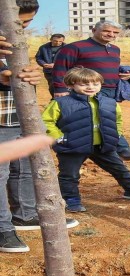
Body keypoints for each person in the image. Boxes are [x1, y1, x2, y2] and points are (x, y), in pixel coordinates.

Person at [1, 0, 78, 254]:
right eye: (17, 22)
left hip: (16, 115)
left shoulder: (13, 43)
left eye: (26, 23)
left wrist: (28, 76)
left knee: (23, 169)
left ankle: (25, 214)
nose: (21, 28)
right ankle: (2, 228)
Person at [42, 68, 130, 213]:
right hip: (72, 145)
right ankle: (71, 199)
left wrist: (116, 135)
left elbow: (117, 120)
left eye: (95, 84)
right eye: (83, 84)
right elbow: (46, 121)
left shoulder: (109, 102)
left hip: (103, 145)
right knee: (69, 175)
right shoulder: (61, 103)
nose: (90, 87)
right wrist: (59, 137)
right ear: (71, 85)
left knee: (120, 169)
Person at [52, 20, 130, 161]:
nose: (111, 34)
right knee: (102, 118)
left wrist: (125, 75)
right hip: (87, 90)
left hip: (111, 90)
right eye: (107, 31)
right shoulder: (75, 47)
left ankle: (105, 148)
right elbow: (60, 67)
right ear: (94, 30)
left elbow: (110, 67)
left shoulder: (115, 49)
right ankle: (122, 148)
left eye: (115, 32)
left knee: (106, 118)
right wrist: (60, 88)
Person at [35, 33, 65, 98]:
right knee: (52, 86)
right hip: (49, 71)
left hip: (63, 71)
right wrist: (43, 64)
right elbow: (38, 58)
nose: (58, 43)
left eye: (60, 41)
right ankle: (54, 99)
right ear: (51, 39)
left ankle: (64, 101)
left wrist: (56, 65)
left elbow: (70, 59)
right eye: (55, 41)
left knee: (64, 86)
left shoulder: (67, 47)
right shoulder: (43, 47)